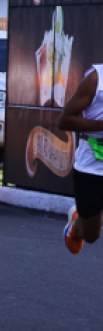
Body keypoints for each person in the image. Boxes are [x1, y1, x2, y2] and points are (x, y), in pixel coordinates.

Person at [59, 63, 103, 255]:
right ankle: (75, 227)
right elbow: (65, 120)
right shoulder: (96, 78)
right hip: (92, 168)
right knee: (91, 234)